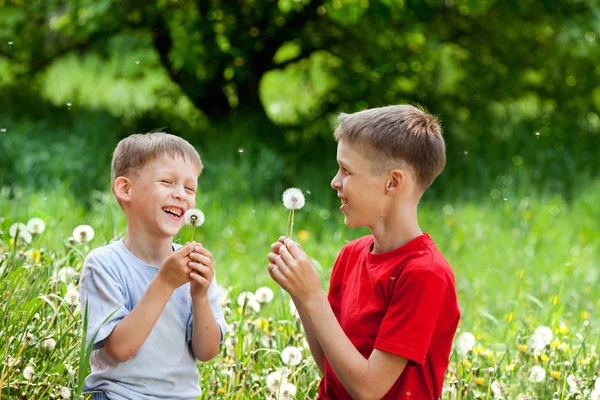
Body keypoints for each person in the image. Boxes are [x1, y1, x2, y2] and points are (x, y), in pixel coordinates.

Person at [267, 105, 460, 399]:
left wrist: (312, 295)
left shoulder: (424, 274)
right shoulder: (352, 255)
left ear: (393, 182)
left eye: (346, 170)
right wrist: (299, 293)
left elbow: (368, 389)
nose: (335, 181)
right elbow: (333, 367)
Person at [79, 132, 227, 400]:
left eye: (190, 188)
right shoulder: (104, 265)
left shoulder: (193, 266)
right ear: (126, 189)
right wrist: (165, 282)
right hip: (117, 396)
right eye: (167, 182)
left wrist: (200, 295)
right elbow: (119, 349)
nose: (181, 195)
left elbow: (206, 352)